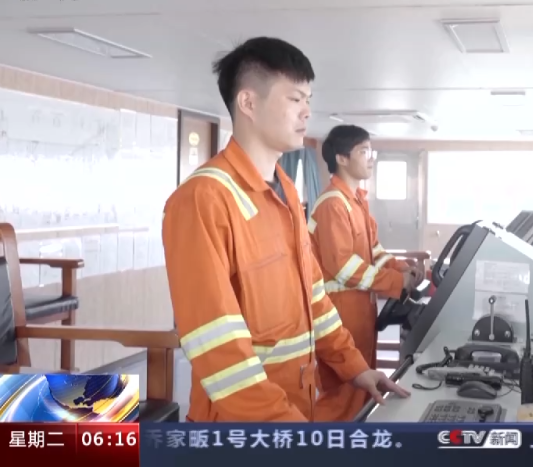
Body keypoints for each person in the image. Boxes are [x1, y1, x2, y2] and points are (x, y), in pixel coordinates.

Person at [161, 37, 409, 422]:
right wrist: (285, 429)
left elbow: (315, 299)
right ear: (248, 103)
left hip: (296, 408)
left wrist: (356, 368)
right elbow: (218, 349)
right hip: (241, 428)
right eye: (295, 99)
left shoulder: (288, 192)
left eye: (308, 99)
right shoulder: (203, 199)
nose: (307, 111)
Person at [307, 125, 421, 421]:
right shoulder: (333, 204)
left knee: (361, 388)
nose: (371, 158)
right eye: (364, 151)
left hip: (360, 312)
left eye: (372, 151)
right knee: (342, 394)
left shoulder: (356, 202)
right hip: (339, 314)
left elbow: (374, 252)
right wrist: (396, 281)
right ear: (342, 158)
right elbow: (344, 268)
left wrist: (402, 269)